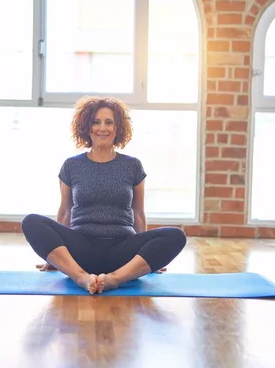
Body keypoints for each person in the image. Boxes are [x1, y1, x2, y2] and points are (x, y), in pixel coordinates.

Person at [21, 96, 186, 294]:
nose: (103, 128)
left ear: (118, 128)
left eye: (109, 122)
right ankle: (80, 276)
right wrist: (55, 258)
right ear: (86, 127)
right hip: (81, 248)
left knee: (176, 236)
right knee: (31, 221)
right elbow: (65, 211)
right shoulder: (72, 166)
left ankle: (115, 279)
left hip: (122, 249)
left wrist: (148, 257)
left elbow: (138, 213)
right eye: (96, 122)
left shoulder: (132, 166)